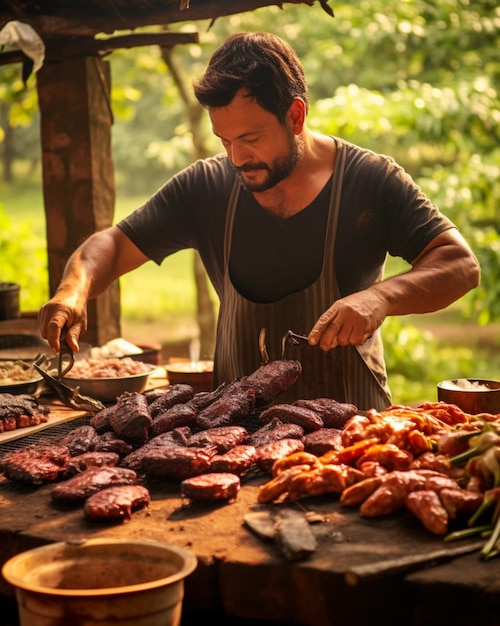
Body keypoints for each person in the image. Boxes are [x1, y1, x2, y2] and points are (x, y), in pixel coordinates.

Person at [38, 31, 480, 410]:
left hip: (352, 444)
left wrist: (381, 298)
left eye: (250, 138)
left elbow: (460, 265)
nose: (236, 157)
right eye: (224, 140)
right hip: (233, 447)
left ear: (296, 115)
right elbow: (112, 245)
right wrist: (72, 292)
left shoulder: (372, 180)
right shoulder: (205, 186)